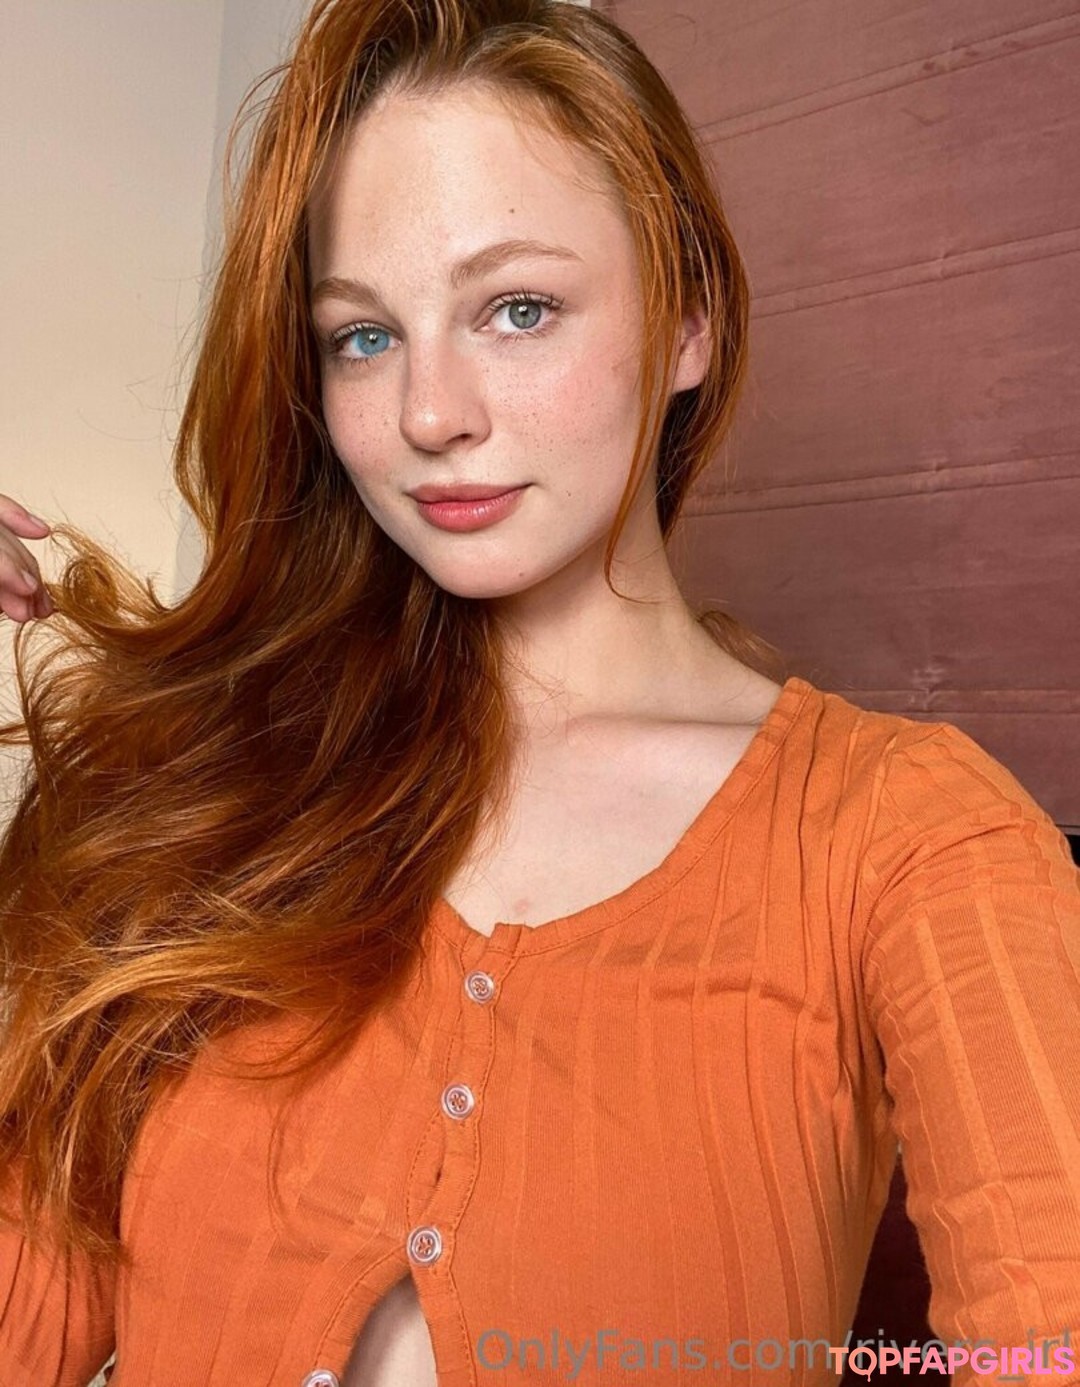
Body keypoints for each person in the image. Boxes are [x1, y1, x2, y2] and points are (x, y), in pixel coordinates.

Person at [1, 1, 1078, 1384]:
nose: (429, 413)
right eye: (363, 336)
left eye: (518, 309)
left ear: (687, 320)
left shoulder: (906, 837)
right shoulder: (203, 787)